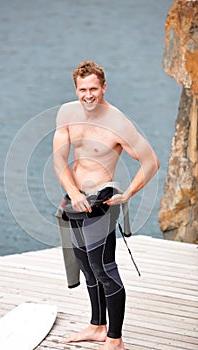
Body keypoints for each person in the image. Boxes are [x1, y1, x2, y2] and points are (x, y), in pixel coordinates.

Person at [53, 60, 159, 350]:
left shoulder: (118, 123)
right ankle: (97, 326)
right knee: (86, 266)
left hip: (102, 200)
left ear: (104, 87)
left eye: (94, 89)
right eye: (82, 89)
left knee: (105, 268)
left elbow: (151, 162)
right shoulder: (67, 114)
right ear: (76, 88)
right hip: (74, 200)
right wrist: (73, 192)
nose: (88, 95)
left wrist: (128, 195)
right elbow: (59, 159)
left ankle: (115, 339)